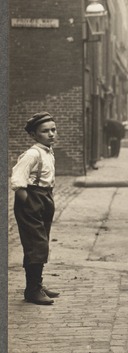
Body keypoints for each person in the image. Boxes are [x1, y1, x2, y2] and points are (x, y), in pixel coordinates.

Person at [10, 112, 62, 305]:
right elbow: (17, 180)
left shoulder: (48, 151)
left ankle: (36, 284)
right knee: (37, 244)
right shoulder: (32, 153)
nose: (51, 134)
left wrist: (46, 200)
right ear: (34, 135)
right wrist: (29, 204)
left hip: (45, 197)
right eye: (45, 131)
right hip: (31, 198)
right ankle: (32, 290)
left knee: (41, 242)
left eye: (53, 130)